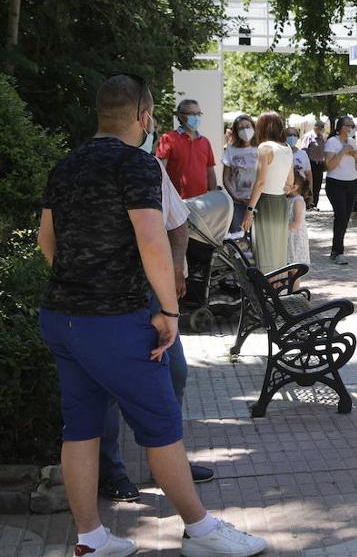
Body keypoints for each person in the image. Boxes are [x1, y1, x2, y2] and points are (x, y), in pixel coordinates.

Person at [38, 74, 265, 557]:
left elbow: (46, 239)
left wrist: (78, 281)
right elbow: (152, 239)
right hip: (117, 320)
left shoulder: (66, 165)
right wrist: (167, 310)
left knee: (80, 427)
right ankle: (201, 531)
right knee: (161, 425)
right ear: (144, 116)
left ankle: (91, 539)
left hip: (62, 316)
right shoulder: (136, 165)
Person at [99, 117, 214, 504]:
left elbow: (177, 225)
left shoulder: (149, 167)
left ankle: (168, 462)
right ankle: (110, 471)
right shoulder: (82, 167)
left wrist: (176, 269)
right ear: (144, 118)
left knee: (175, 373)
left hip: (150, 293)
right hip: (106, 299)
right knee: (106, 386)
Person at [157, 99, 218, 309]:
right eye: (191, 113)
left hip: (201, 208)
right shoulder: (168, 139)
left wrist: (213, 197)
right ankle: (175, 300)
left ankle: (194, 297)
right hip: (177, 208)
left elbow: (210, 170)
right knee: (178, 254)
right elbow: (160, 170)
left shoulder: (205, 142)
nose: (196, 117)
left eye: (198, 113)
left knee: (197, 255)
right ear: (180, 116)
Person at [241, 111, 294, 275]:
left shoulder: (265, 148)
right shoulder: (287, 148)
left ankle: (266, 295)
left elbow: (260, 182)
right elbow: (290, 183)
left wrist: (249, 210)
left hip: (266, 203)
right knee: (278, 253)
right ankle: (278, 292)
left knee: (264, 252)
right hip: (280, 203)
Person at [323, 116, 357, 265]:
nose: (351, 129)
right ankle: (340, 252)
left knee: (345, 218)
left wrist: (355, 153)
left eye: (352, 126)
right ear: (340, 127)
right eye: (348, 125)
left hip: (352, 184)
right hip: (335, 184)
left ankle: (335, 249)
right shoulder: (332, 142)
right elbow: (329, 166)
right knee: (340, 215)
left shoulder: (353, 142)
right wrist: (342, 152)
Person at [222, 114, 258, 234]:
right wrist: (235, 196)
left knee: (258, 239)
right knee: (238, 236)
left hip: (259, 201)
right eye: (241, 128)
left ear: (253, 127)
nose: (245, 130)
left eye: (247, 126)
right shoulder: (231, 150)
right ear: (236, 131)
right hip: (238, 202)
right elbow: (226, 178)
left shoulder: (261, 148)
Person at [299, 120, 327, 209]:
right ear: (316, 127)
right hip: (310, 163)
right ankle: (308, 203)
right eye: (321, 127)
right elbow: (304, 150)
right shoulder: (308, 136)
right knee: (309, 184)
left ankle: (315, 204)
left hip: (319, 164)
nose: (322, 129)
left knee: (317, 185)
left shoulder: (321, 137)